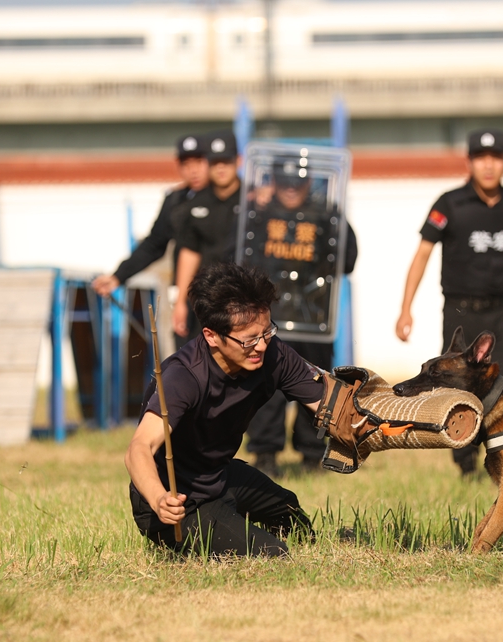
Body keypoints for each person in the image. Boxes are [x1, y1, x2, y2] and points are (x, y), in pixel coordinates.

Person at [125, 262, 323, 557]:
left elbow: (328, 405)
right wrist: (158, 498)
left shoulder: (273, 353)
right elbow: (138, 448)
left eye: (267, 332)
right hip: (179, 502)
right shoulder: (182, 377)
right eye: (249, 339)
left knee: (293, 518)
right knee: (272, 554)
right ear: (212, 336)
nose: (261, 346)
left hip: (219, 476)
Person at [395, 128, 503, 475]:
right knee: (458, 389)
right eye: (481, 158)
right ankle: (465, 465)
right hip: (461, 313)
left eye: (496, 158)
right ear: (469, 162)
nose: (488, 165)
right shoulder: (449, 203)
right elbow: (422, 254)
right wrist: (406, 308)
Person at [241, 154, 359, 476]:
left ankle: (311, 454)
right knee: (265, 390)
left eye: (298, 183)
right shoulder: (257, 215)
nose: (291, 189)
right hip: (268, 320)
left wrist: (332, 222)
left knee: (315, 386)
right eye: (284, 182)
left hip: (313, 320)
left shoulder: (325, 216)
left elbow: (348, 259)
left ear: (309, 183)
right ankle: (265, 455)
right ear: (273, 182)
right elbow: (240, 254)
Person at [92, 133, 208, 338]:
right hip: (187, 300)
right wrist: (118, 276)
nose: (193, 170)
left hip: (226, 298)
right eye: (186, 164)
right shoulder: (175, 201)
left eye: (199, 162)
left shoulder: (231, 199)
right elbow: (154, 244)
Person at [172, 129, 241, 342]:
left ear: (238, 161)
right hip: (206, 302)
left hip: (244, 301)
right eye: (214, 162)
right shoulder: (195, 204)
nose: (220, 168)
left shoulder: (253, 201)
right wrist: (180, 302)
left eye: (226, 162)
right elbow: (189, 253)